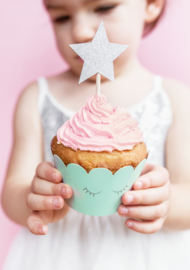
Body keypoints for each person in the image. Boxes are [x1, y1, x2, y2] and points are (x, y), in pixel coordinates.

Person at [2, 0, 190, 269]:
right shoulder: (36, 96)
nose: (79, 32)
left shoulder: (175, 98)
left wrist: (166, 202)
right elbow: (11, 194)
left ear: (152, 5)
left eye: (103, 8)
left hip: (146, 255)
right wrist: (34, 200)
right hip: (58, 255)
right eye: (61, 18)